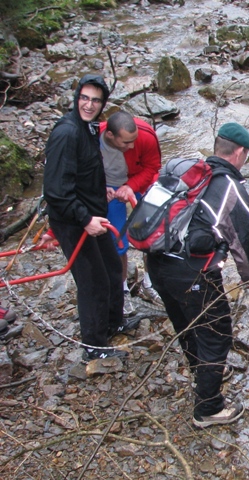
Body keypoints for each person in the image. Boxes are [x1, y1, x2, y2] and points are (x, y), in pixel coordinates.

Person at [147, 122, 249, 428]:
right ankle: (208, 408)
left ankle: (200, 369)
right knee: (216, 332)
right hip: (191, 273)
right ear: (239, 152)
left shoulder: (189, 173)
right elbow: (244, 239)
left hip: (157, 263)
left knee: (185, 321)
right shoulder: (228, 187)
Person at [42, 74, 138, 360]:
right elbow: (56, 190)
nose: (89, 104)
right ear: (76, 98)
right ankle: (94, 347)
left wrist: (103, 192)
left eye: (96, 100)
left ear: (102, 104)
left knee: (110, 268)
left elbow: (84, 174)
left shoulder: (89, 129)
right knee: (92, 281)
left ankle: (114, 321)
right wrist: (85, 219)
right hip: (74, 221)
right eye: (84, 98)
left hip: (93, 214)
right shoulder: (67, 133)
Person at [99, 111, 163, 316]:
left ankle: (150, 282)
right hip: (109, 185)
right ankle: (122, 289)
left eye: (134, 141)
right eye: (126, 142)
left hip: (141, 180)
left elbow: (153, 167)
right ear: (110, 136)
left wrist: (131, 186)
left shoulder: (146, 136)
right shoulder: (94, 139)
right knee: (117, 239)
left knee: (153, 233)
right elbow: (84, 170)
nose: (132, 146)